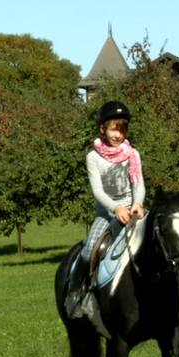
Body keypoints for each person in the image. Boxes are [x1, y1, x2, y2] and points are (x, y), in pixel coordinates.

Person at [65, 101, 146, 318]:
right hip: (107, 212)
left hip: (133, 211)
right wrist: (115, 207)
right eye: (113, 129)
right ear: (103, 129)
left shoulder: (132, 154)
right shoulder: (93, 158)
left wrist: (137, 203)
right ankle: (74, 290)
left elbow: (138, 184)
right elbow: (98, 191)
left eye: (122, 130)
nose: (118, 134)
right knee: (90, 246)